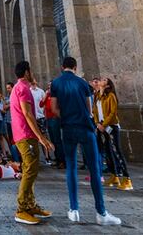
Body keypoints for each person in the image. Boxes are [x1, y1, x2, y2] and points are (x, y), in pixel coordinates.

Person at [50, 58, 121, 226]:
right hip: (85, 128)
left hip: (68, 128)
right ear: (75, 67)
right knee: (94, 169)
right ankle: (101, 212)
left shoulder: (56, 83)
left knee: (71, 167)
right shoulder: (82, 83)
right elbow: (90, 109)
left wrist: (66, 118)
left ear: (62, 67)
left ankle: (74, 210)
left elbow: (54, 108)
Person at [9, 61, 54, 225]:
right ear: (27, 72)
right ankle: (21, 209)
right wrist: (41, 137)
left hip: (24, 134)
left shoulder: (18, 87)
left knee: (31, 169)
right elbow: (27, 114)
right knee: (30, 171)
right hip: (26, 134)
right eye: (31, 70)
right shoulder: (23, 88)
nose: (32, 73)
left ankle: (30, 205)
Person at [95, 78, 132, 190]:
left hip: (111, 126)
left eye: (104, 80)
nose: (101, 80)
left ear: (107, 85)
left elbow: (113, 112)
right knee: (107, 151)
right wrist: (97, 123)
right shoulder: (98, 96)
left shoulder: (111, 96)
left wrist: (104, 124)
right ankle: (114, 176)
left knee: (117, 151)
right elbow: (94, 111)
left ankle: (127, 179)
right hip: (101, 126)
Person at [43, 83, 64, 169]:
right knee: (53, 141)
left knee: (57, 140)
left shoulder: (57, 95)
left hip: (55, 119)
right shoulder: (48, 95)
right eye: (48, 86)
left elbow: (56, 107)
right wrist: (46, 95)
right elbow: (41, 104)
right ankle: (57, 159)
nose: (49, 87)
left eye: (50, 86)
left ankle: (62, 161)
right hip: (48, 119)